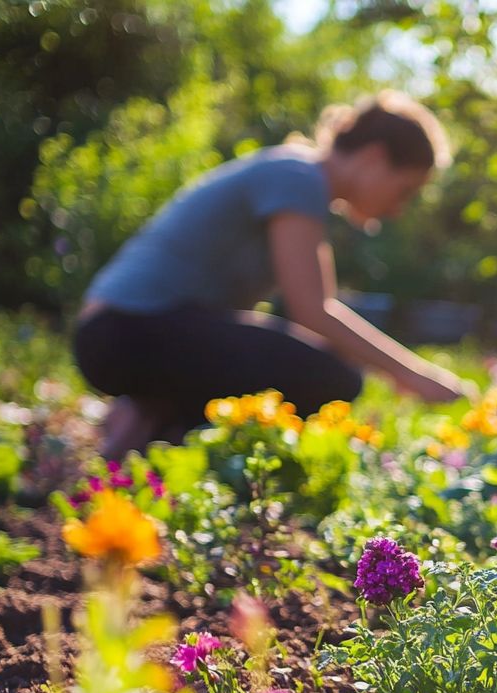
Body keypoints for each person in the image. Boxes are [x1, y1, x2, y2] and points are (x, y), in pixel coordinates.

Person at [74, 90, 474, 459]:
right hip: (123, 332)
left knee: (322, 365)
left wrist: (392, 371)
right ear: (373, 157)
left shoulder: (300, 180)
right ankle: (165, 428)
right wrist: (413, 375)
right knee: (330, 379)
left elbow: (324, 324)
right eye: (404, 190)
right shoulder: (297, 177)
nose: (398, 209)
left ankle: (151, 421)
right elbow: (312, 311)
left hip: (128, 334)